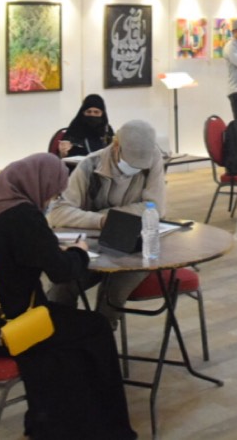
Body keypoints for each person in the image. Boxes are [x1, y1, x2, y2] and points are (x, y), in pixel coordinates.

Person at [0, 154, 136, 440]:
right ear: (37, 184)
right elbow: (62, 273)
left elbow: (14, 254)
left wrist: (48, 248)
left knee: (73, 324)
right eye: (52, 193)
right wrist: (80, 251)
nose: (49, 200)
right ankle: (104, 426)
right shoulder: (23, 217)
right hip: (13, 331)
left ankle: (65, 416)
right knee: (96, 327)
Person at [46, 120, 166, 324]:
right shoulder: (90, 165)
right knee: (62, 287)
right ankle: (64, 335)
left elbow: (155, 208)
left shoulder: (153, 159)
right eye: (131, 162)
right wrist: (102, 221)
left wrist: (109, 216)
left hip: (136, 248)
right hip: (94, 245)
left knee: (112, 295)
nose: (136, 169)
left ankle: (102, 336)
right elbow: (57, 213)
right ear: (116, 146)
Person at [58, 93, 114, 158]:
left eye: (96, 112)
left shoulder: (107, 130)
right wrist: (63, 152)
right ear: (83, 113)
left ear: (102, 114)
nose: (92, 115)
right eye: (88, 112)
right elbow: (62, 157)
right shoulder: (74, 130)